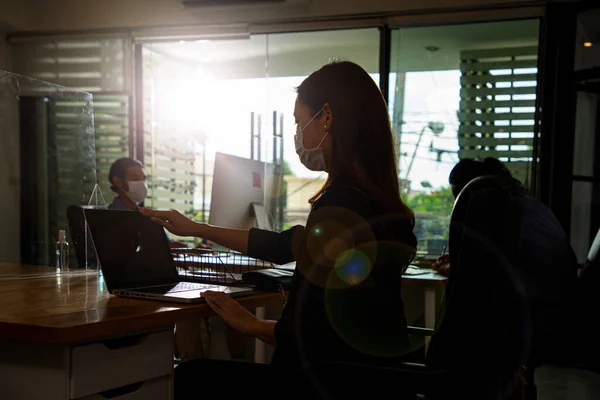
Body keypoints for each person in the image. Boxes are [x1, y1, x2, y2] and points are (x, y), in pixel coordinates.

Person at [141, 60, 418, 399]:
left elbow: (307, 332)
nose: (299, 134)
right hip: (369, 384)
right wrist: (197, 228)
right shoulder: (379, 205)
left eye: (300, 121)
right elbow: (290, 244)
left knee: (189, 377)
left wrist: (252, 324)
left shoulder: (340, 204)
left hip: (318, 385)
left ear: (327, 117)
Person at [433, 157, 579, 362]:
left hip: (524, 318)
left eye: (456, 195)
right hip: (558, 314)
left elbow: (478, 276)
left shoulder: (492, 208)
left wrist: (452, 267)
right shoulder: (530, 206)